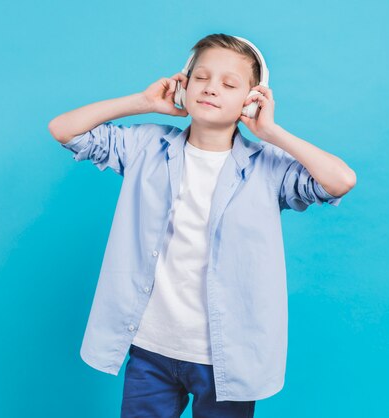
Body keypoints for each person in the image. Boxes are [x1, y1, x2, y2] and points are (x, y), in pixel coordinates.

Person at [48, 33, 356, 418]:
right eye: (201, 78)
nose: (211, 89)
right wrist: (142, 103)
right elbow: (64, 129)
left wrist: (271, 132)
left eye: (229, 84)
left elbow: (340, 180)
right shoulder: (146, 146)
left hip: (227, 358)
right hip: (150, 347)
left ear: (252, 97)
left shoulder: (268, 167)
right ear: (184, 83)